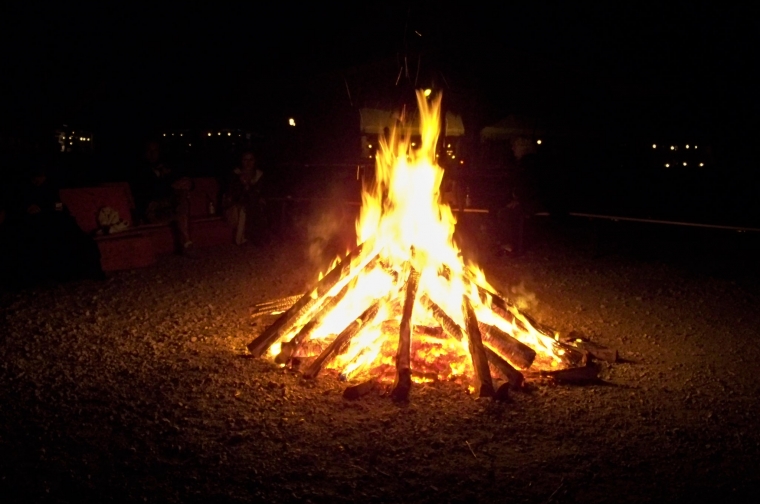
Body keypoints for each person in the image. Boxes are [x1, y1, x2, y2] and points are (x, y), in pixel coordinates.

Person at [2, 166, 103, 287]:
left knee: (70, 234)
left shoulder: (50, 187)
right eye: (35, 178)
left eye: (40, 177)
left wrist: (45, 209)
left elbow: (58, 206)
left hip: (51, 218)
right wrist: (27, 209)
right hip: (32, 222)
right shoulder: (22, 189)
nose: (38, 181)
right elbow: (14, 208)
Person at [130, 140, 194, 254]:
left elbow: (179, 179)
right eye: (149, 151)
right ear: (144, 153)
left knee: (182, 198)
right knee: (181, 212)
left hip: (166, 207)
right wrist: (170, 184)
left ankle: (186, 243)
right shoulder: (139, 171)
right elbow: (151, 192)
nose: (152, 154)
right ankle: (186, 243)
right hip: (152, 211)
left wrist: (189, 183)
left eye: (155, 150)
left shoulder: (164, 168)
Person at [222, 150, 265, 245]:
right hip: (236, 205)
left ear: (255, 161)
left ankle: (256, 236)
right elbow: (232, 194)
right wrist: (242, 184)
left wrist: (249, 187)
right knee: (244, 208)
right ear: (241, 161)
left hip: (253, 203)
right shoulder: (235, 175)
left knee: (255, 205)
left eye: (251, 160)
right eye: (245, 160)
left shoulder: (259, 175)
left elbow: (260, 192)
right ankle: (240, 239)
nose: (248, 163)